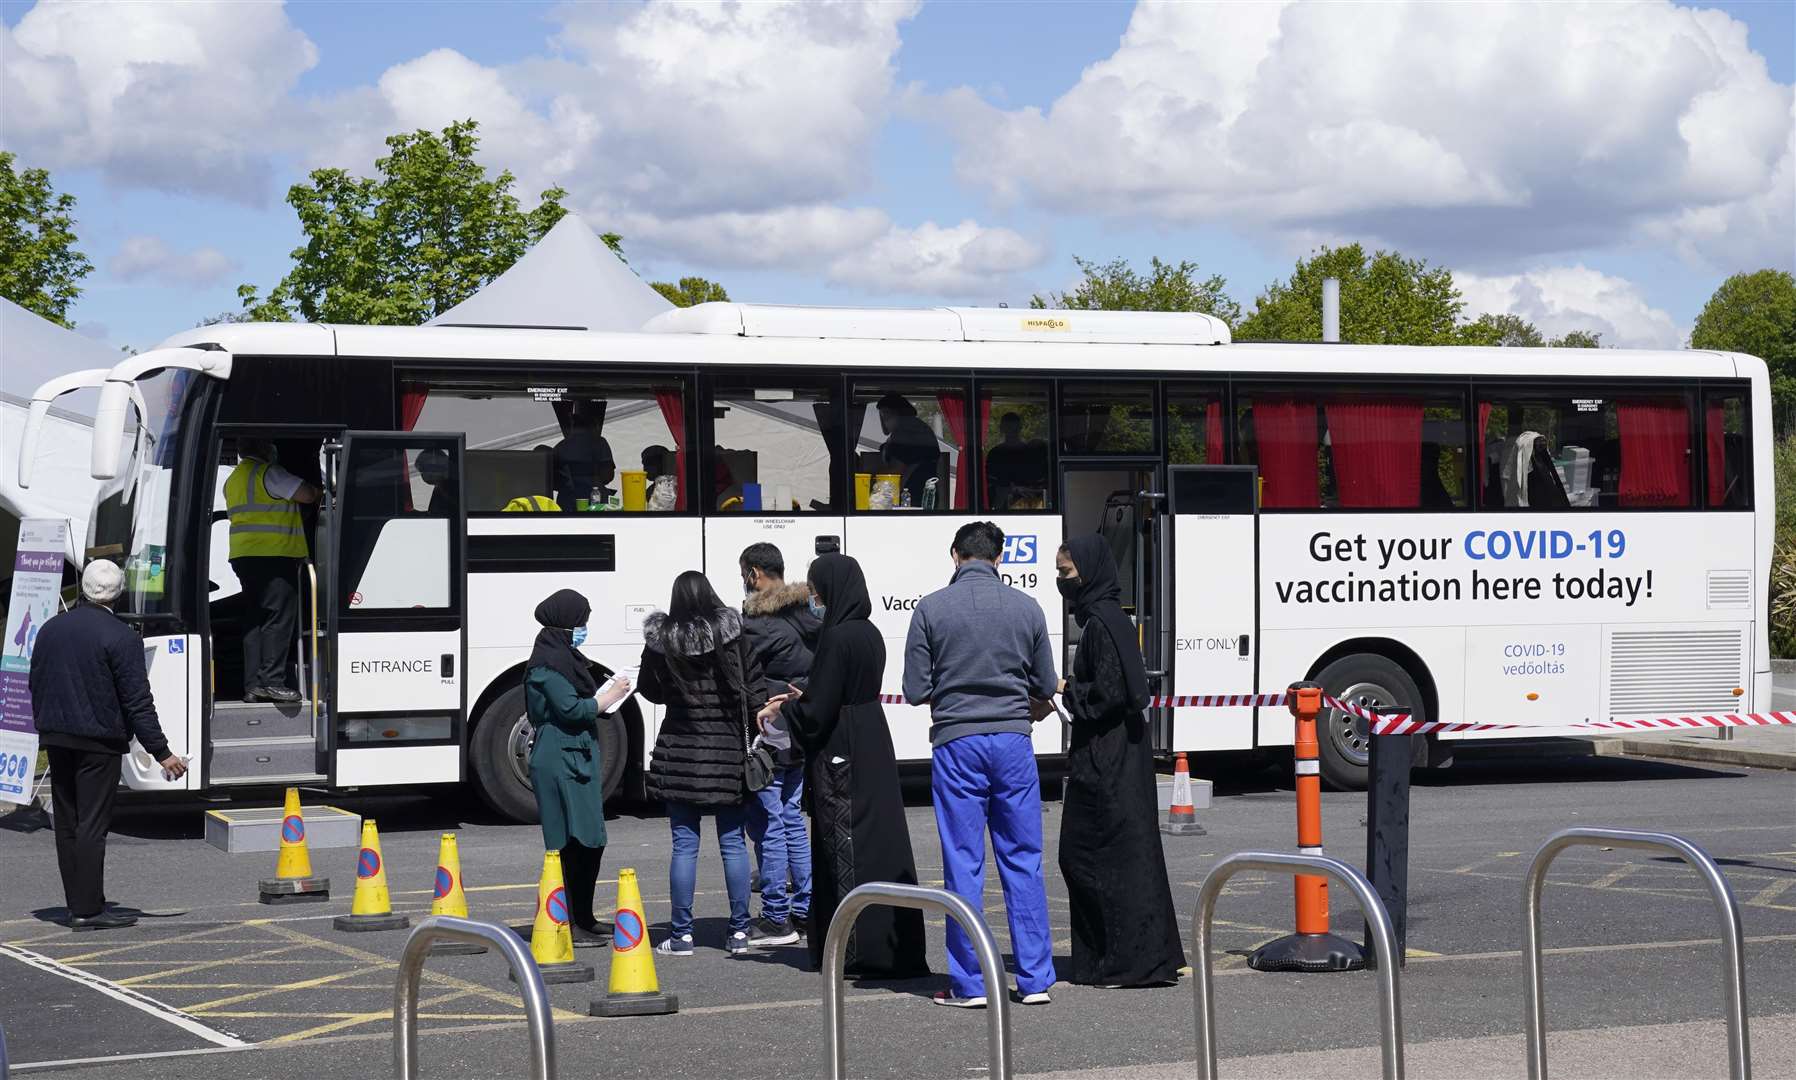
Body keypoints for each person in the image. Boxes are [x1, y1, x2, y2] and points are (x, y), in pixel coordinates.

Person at [903, 521, 1058, 1007]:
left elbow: (914, 690)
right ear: (999, 557)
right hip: (1014, 742)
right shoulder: (1026, 607)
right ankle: (1034, 980)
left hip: (957, 741)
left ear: (955, 555)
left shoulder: (930, 609)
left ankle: (969, 984)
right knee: (1023, 859)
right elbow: (1047, 683)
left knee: (963, 863)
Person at [761, 554, 929, 977]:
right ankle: (889, 946)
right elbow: (839, 691)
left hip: (843, 749)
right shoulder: (869, 632)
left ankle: (854, 949)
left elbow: (820, 709)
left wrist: (789, 707)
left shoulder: (835, 637)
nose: (815, 599)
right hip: (871, 735)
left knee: (845, 844)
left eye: (817, 591)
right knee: (880, 841)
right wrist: (809, 699)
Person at [1054, 536, 1186, 987]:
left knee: (1090, 855)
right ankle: (1128, 957)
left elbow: (1110, 693)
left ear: (1088, 573)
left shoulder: (1102, 623)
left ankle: (1124, 961)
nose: (1061, 582)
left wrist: (1064, 690)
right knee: (1123, 854)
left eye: (1066, 573)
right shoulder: (1107, 618)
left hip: (1107, 758)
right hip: (1119, 754)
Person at [29, 560, 188, 931]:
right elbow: (137, 702)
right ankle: (88, 909)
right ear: (118, 594)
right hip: (98, 740)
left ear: (83, 589)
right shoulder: (121, 636)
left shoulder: (51, 628)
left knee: (67, 822)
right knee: (92, 824)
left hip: (56, 736)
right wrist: (162, 753)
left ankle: (79, 902)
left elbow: (36, 681)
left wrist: (44, 726)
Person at [637, 571, 765, 956]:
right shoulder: (733, 634)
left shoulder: (661, 643)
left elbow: (650, 690)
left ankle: (682, 935)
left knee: (684, 846)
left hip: (680, 752)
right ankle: (740, 933)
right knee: (733, 844)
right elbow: (754, 688)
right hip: (727, 752)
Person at [526, 589, 632, 949]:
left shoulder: (564, 657)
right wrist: (610, 695)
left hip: (576, 754)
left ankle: (584, 916)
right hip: (559, 756)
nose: (583, 629)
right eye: (580, 623)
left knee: (590, 840)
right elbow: (571, 710)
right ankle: (569, 922)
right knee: (568, 842)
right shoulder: (547, 665)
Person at [738, 543, 818, 947]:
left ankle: (775, 916)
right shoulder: (809, 615)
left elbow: (743, 677)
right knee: (791, 820)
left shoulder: (757, 623)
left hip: (769, 732)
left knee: (768, 825)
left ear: (754, 574)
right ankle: (804, 910)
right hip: (800, 730)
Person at [224, 438, 319, 703]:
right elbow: (307, 495)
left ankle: (253, 684)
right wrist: (318, 490)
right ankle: (273, 682)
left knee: (255, 620)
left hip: (244, 556)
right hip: (274, 556)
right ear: (265, 449)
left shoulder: (233, 479)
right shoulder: (270, 473)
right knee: (278, 617)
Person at [875, 392, 940, 507]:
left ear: (895, 413)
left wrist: (873, 477)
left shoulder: (905, 431)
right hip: (923, 495)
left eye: (885, 414)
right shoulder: (918, 427)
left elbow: (896, 470)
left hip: (912, 497)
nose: (884, 419)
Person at [985, 412, 1050, 510]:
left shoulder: (1032, 453)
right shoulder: (995, 453)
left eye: (1013, 427)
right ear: (1002, 428)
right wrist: (1009, 489)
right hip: (1003, 506)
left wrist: (1028, 489)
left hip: (1031, 505)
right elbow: (990, 482)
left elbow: (1042, 481)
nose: (1011, 430)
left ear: (1019, 428)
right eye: (1008, 426)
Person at [415, 448, 455, 515]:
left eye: (423, 469)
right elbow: (434, 514)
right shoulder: (440, 486)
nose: (422, 475)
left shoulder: (449, 489)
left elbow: (441, 515)